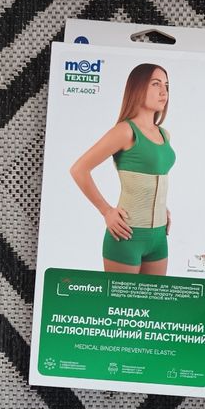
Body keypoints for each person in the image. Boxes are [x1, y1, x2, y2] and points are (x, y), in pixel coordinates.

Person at [70, 63, 176, 275]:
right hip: (127, 235)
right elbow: (79, 169)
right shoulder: (125, 131)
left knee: (155, 298)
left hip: (159, 236)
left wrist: (160, 206)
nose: (163, 91)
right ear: (138, 88)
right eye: (156, 84)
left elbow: (154, 178)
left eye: (166, 85)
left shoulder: (164, 134)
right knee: (119, 298)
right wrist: (106, 211)